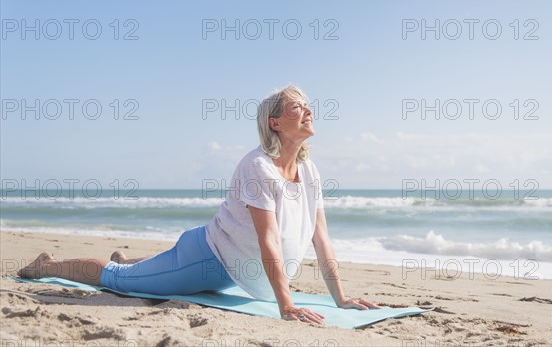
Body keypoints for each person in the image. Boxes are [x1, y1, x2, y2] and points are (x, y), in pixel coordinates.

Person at [18, 85, 381, 325]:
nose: (308, 110)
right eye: (296, 106)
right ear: (274, 123)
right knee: (120, 282)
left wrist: (342, 298)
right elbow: (268, 239)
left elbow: (321, 238)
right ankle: (48, 264)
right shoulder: (258, 166)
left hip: (231, 269)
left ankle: (128, 259)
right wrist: (285, 305)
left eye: (308, 105)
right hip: (209, 259)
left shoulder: (310, 171)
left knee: (148, 269)